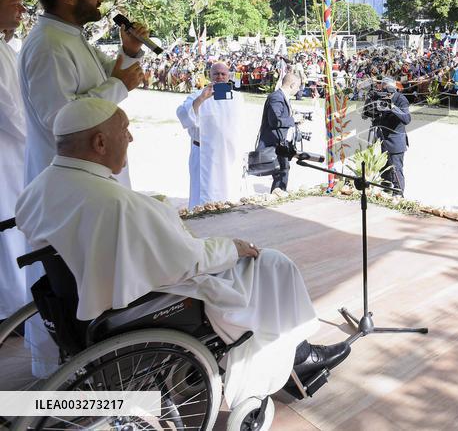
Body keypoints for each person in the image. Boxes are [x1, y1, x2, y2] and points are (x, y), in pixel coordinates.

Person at [15, 98, 350, 410]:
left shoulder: (39, 187)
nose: (130, 138)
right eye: (124, 130)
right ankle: (297, 358)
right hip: (143, 301)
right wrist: (231, 247)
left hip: (76, 300)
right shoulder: (116, 203)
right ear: (99, 143)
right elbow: (186, 260)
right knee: (272, 263)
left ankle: (295, 355)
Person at [19, 0, 145, 185]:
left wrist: (129, 50)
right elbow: (58, 115)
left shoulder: (69, 36)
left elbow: (109, 73)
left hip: (88, 171)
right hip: (69, 180)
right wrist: (118, 86)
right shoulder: (49, 45)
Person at [176, 62, 247, 209]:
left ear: (228, 76)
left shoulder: (237, 98)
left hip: (228, 155)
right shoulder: (197, 95)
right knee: (204, 196)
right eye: (216, 74)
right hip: (204, 155)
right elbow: (183, 115)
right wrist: (202, 99)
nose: (220, 77)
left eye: (223, 74)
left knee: (229, 192)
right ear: (210, 75)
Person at [0, 0, 28, 324]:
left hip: (14, 152)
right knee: (8, 226)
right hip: (7, 153)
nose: (22, 10)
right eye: (15, 4)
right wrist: (40, 140)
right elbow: (8, 110)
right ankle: (12, 310)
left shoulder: (5, 47)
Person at [259, 73, 302, 192]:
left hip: (281, 141)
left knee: (283, 170)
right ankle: (278, 194)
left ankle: (279, 193)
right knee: (281, 171)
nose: (299, 89)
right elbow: (274, 121)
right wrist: (293, 119)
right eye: (298, 86)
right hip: (274, 141)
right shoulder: (276, 97)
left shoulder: (282, 97)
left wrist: (294, 119)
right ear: (292, 85)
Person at [370, 77, 411, 193]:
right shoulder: (380, 98)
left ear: (392, 90)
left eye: (386, 92)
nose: (384, 95)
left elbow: (407, 119)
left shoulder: (401, 99)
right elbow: (371, 115)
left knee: (396, 170)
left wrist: (392, 107)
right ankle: (385, 192)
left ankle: (398, 194)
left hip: (395, 141)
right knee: (384, 171)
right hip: (381, 140)